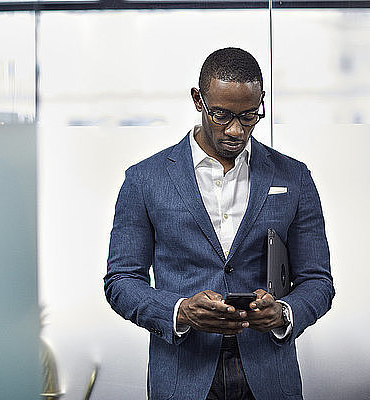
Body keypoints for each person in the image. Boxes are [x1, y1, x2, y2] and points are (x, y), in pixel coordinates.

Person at [103, 47, 334, 400]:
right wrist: (180, 311)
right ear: (198, 100)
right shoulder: (144, 180)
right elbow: (121, 280)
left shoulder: (295, 177)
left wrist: (283, 313)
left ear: (261, 103)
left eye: (249, 116)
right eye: (221, 115)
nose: (236, 131)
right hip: (184, 375)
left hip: (269, 374)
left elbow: (318, 280)